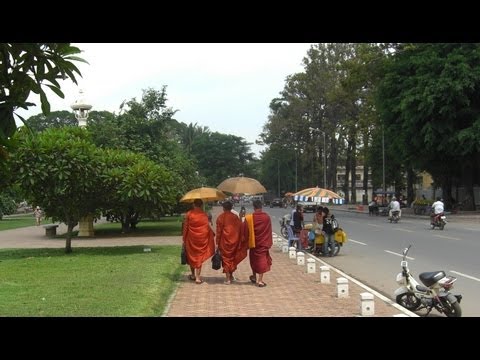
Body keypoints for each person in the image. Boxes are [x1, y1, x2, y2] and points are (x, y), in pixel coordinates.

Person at [182, 199, 215, 284]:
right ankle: (197, 277)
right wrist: (212, 234)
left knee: (191, 256)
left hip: (191, 239)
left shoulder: (189, 214)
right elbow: (206, 227)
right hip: (201, 239)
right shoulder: (204, 214)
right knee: (199, 257)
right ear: (201, 205)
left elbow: (185, 227)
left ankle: (193, 274)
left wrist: (184, 239)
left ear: (194, 204)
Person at [243, 199, 272, 287]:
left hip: (253, 243)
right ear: (261, 207)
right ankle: (260, 280)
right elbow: (269, 230)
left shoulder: (249, 218)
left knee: (254, 260)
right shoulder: (266, 217)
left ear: (254, 207)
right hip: (263, 242)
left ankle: (255, 277)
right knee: (262, 260)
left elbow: (245, 231)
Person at [215, 201, 243, 284]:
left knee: (226, 259)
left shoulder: (220, 217)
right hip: (235, 241)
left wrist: (217, 242)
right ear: (231, 208)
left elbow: (219, 232)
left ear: (223, 208)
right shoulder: (235, 217)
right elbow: (240, 228)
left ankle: (227, 278)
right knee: (232, 258)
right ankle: (230, 275)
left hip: (224, 242)